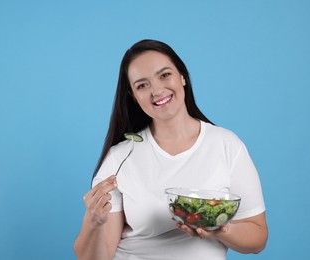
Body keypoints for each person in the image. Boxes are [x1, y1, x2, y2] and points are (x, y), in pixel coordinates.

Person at [74, 39, 268, 260]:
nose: (157, 90)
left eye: (164, 75)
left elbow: (258, 238)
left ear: (182, 77)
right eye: (142, 85)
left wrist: (222, 229)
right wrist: (93, 222)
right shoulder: (120, 157)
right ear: (134, 96)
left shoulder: (227, 145)